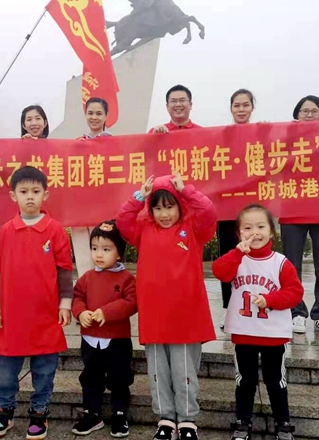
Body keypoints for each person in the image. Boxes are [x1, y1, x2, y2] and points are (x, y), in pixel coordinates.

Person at [116, 171, 217, 440]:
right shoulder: (144, 230)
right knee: (158, 371)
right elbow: (123, 221)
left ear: (180, 206)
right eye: (157, 208)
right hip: (155, 315)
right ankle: (165, 419)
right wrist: (139, 197)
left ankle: (187, 420)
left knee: (184, 371)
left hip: (186, 314)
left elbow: (208, 212)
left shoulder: (193, 229)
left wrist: (187, 191)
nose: (164, 214)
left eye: (170, 206)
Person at [0, 166, 73, 439]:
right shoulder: (5, 232)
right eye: (24, 192)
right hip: (12, 318)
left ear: (46, 194)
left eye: (36, 191)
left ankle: (39, 412)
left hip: (46, 316)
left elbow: (64, 271)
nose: (30, 196)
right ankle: (4, 412)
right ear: (13, 196)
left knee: (44, 371)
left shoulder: (56, 231)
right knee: (6, 372)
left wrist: (65, 303)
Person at [213, 204, 303, 440]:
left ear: (271, 231)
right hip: (243, 333)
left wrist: (271, 299)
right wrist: (237, 253)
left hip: (273, 334)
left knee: (276, 381)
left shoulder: (281, 262)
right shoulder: (236, 260)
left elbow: (295, 292)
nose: (255, 232)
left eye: (261, 227)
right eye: (248, 228)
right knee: (245, 381)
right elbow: (220, 272)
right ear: (239, 233)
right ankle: (243, 422)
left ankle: (283, 423)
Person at [279, 96, 319, 336]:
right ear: (296, 115)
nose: (310, 115)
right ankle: (296, 312)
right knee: (291, 267)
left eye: (315, 111)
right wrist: (261, 129)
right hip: (293, 210)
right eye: (305, 111)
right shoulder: (285, 137)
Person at [71, 220, 137, 438]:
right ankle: (92, 413)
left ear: (119, 253)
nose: (99, 254)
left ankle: (119, 414)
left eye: (106, 249)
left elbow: (132, 302)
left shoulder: (126, 278)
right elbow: (77, 298)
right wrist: (80, 312)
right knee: (90, 377)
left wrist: (107, 312)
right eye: (94, 248)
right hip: (91, 339)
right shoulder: (87, 278)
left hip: (117, 339)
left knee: (120, 377)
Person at [217, 89, 256, 329]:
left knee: (253, 259)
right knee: (228, 258)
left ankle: (252, 305)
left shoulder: (261, 133)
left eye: (245, 105)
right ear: (231, 108)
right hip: (226, 209)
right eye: (237, 105)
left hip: (252, 211)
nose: (241, 109)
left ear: (252, 107)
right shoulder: (221, 135)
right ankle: (229, 307)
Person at [72, 98, 114, 279]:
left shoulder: (116, 143)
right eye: (90, 113)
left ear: (106, 116)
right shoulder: (76, 143)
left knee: (106, 252)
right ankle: (86, 290)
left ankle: (106, 292)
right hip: (80, 208)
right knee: (83, 256)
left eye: (99, 113)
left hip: (105, 207)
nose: (94, 117)